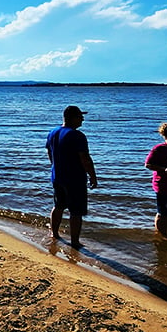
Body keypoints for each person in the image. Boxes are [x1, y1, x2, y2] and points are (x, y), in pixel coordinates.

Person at [46, 105, 98, 249]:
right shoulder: (77, 136)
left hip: (57, 176)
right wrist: (93, 176)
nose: (82, 119)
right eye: (80, 116)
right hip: (75, 179)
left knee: (58, 206)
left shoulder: (53, 132)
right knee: (76, 211)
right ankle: (75, 242)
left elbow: (50, 153)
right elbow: (85, 158)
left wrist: (55, 166)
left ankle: (54, 234)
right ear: (72, 118)